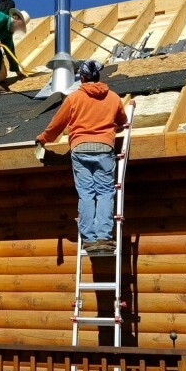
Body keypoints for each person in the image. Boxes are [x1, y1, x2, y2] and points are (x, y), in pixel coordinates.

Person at [35, 60, 127, 254]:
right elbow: (123, 121)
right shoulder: (113, 98)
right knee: (104, 192)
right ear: (99, 76)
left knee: (86, 193)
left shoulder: (74, 98)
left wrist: (43, 138)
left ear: (83, 78)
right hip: (104, 147)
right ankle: (103, 237)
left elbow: (57, 124)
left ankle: (89, 239)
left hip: (81, 148)